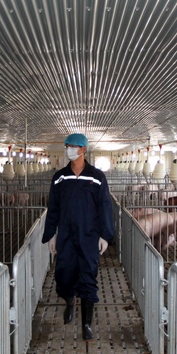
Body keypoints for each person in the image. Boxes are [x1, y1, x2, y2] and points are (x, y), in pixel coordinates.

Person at [41, 133, 115, 341]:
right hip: (65, 235)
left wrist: (105, 235)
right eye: (67, 146)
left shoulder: (96, 177)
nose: (69, 149)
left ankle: (87, 323)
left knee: (88, 276)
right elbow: (53, 208)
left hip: (89, 235)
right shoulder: (60, 177)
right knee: (64, 274)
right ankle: (70, 301)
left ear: (84, 149)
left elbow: (105, 207)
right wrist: (51, 235)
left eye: (73, 146)